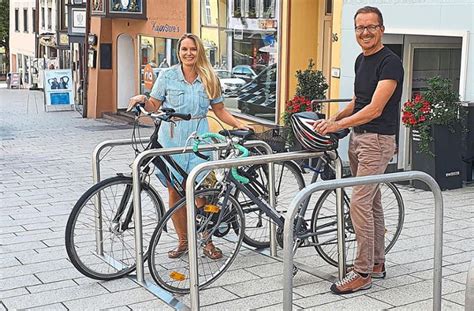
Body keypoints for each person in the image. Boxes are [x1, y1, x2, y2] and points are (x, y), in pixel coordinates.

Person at [128, 33, 249, 260]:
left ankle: (207, 240)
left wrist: (240, 124)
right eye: (184, 49)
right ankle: (183, 242)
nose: (188, 53)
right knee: (174, 191)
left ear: (199, 51)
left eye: (192, 49)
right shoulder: (167, 76)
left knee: (202, 192)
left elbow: (220, 109)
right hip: (171, 138)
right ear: (178, 52)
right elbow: (155, 104)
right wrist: (143, 99)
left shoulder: (209, 77)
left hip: (200, 139)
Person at [314, 6, 404, 294]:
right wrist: (334, 120)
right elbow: (358, 102)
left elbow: (374, 109)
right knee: (372, 203)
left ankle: (362, 271)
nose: (365, 32)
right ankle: (376, 263)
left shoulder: (390, 63)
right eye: (360, 27)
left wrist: (340, 125)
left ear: (382, 29)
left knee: (359, 204)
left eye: (371, 27)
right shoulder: (360, 60)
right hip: (358, 139)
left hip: (377, 140)